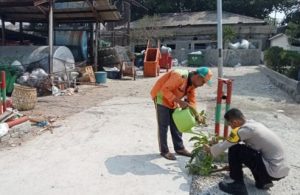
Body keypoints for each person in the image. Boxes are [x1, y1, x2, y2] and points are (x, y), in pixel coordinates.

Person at [205, 108, 289, 195]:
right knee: (247, 150)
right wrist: (234, 166)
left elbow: (227, 143)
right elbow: (251, 153)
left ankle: (237, 185)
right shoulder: (254, 124)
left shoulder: (245, 131)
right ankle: (263, 181)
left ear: (235, 122)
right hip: (280, 169)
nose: (231, 127)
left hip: (272, 170)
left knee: (235, 148)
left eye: (230, 125)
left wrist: (210, 149)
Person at [150, 67, 213, 160]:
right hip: (161, 97)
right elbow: (164, 90)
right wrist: (179, 102)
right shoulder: (179, 76)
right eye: (203, 82)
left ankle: (179, 148)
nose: (202, 85)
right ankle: (164, 151)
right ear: (198, 77)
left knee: (176, 124)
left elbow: (192, 101)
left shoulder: (192, 85)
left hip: (173, 100)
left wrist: (196, 115)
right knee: (163, 125)